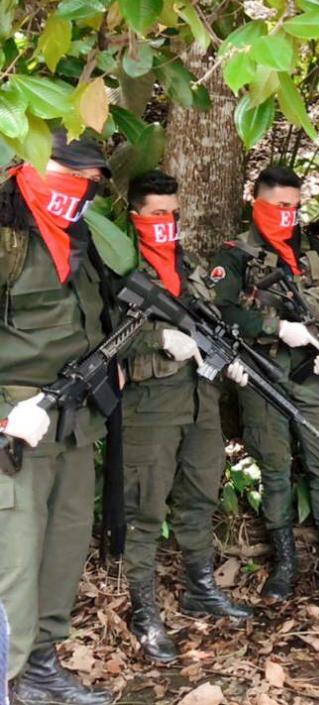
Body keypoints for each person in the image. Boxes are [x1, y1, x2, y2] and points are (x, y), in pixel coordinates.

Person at [210, 165, 319, 604]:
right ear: (256, 202)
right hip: (262, 368)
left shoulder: (314, 250)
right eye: (279, 205)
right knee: (274, 465)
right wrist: (276, 326)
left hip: (311, 369)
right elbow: (220, 311)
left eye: (295, 207)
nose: (288, 214)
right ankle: (284, 565)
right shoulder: (235, 255)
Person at [119, 171, 253, 664]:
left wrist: (226, 358)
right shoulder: (118, 263)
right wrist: (158, 338)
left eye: (173, 214)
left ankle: (199, 588)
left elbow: (209, 323)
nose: (167, 223)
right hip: (149, 405)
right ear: (135, 214)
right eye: (157, 214)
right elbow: (99, 333)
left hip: (200, 399)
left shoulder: (189, 264)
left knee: (199, 494)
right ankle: (144, 611)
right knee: (144, 509)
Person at [0, 131, 114, 705]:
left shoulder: (77, 237)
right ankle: (8, 678)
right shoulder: (7, 240)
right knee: (14, 564)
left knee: (63, 550)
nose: (83, 190)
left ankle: (41, 667)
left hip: (74, 422)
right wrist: (4, 418)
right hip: (17, 426)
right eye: (73, 176)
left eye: (91, 181)